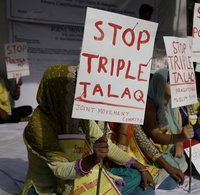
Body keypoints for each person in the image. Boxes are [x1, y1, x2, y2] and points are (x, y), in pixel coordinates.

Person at [21, 64, 155, 195]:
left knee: (135, 175)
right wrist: (92, 159)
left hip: (83, 178)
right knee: (144, 191)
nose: (76, 97)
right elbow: (60, 170)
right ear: (55, 93)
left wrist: (141, 167)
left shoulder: (78, 116)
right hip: (52, 187)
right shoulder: (37, 127)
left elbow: (108, 146)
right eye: (70, 92)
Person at [142, 68, 194, 189]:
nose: (174, 86)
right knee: (172, 182)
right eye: (170, 83)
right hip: (154, 152)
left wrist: (179, 142)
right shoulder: (149, 104)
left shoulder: (171, 103)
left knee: (185, 165)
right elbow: (155, 135)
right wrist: (179, 138)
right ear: (160, 83)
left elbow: (177, 127)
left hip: (169, 149)